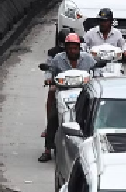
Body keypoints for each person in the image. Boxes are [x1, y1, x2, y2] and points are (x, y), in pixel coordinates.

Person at [39, 32, 97, 162]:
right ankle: (47, 150)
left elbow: (96, 70)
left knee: (92, 115)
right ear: (65, 48)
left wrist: (97, 76)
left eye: (75, 48)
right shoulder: (58, 59)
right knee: (53, 117)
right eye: (70, 48)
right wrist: (49, 80)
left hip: (83, 94)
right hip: (63, 93)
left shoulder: (87, 59)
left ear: (79, 48)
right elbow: (50, 71)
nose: (72, 50)